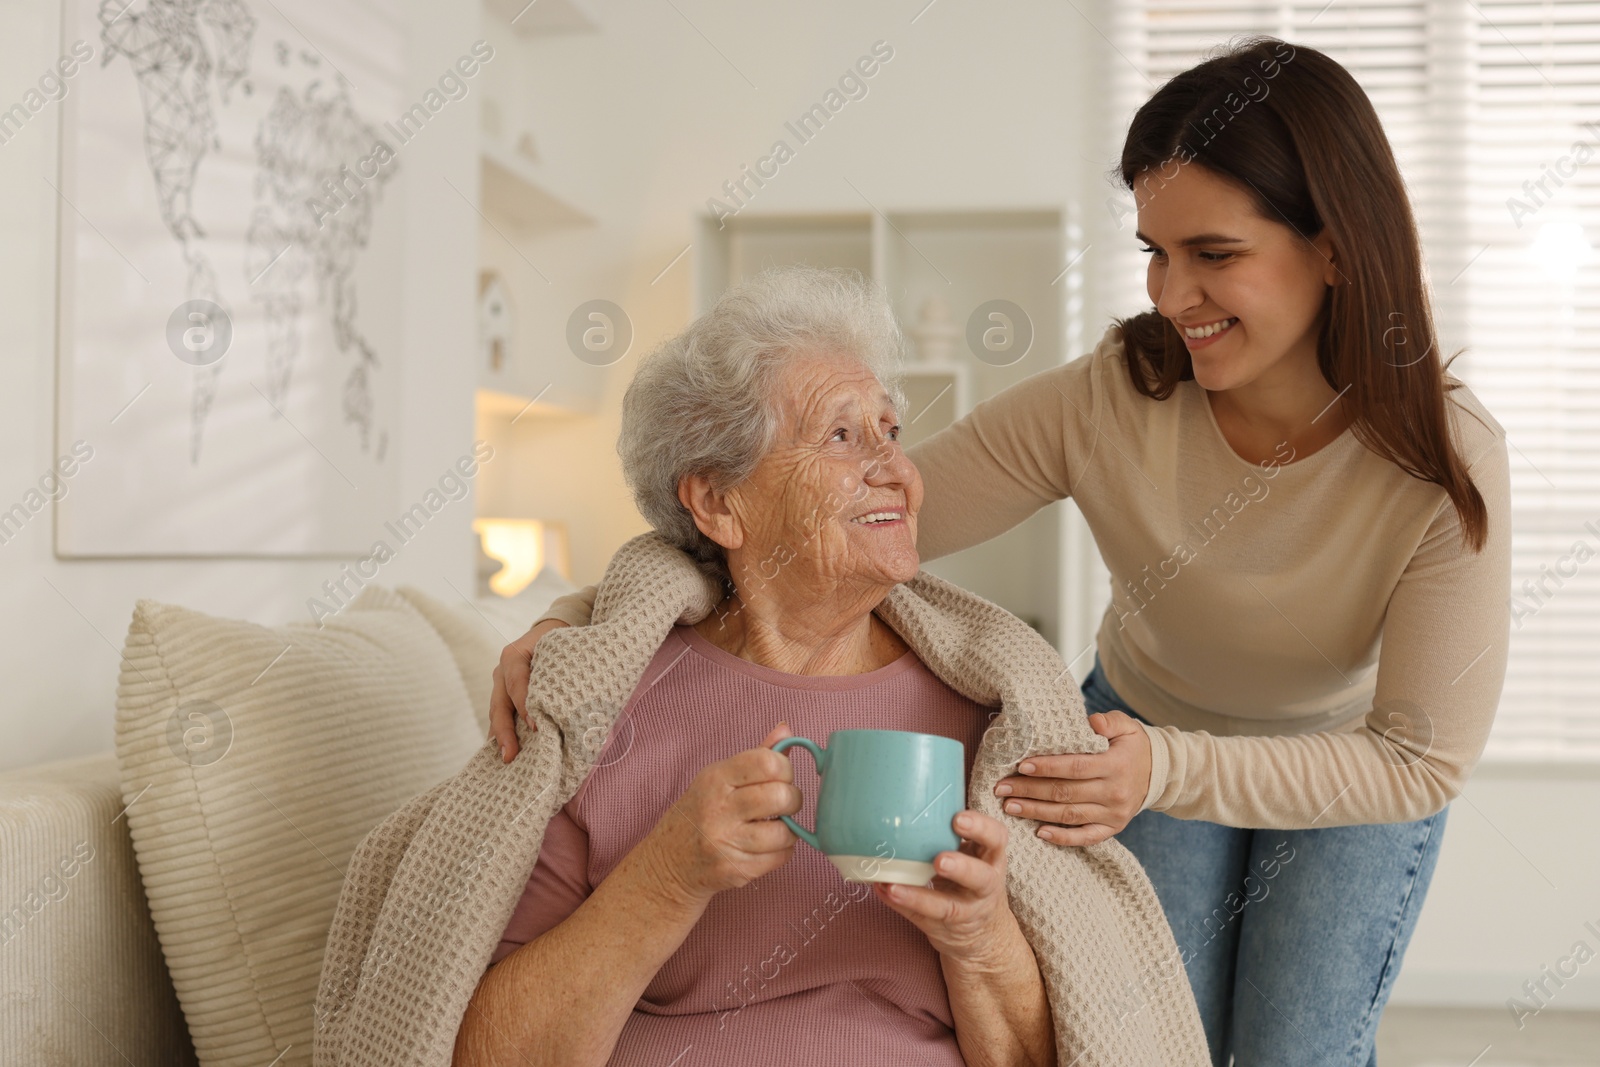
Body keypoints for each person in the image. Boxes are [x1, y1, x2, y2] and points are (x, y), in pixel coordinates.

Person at [489, 37, 1511, 1066]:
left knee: (1299, 1051)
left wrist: (1171, 766)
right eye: (1155, 252)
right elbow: (847, 516)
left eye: (1214, 254)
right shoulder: (1118, 394)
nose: (1169, 293)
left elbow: (1417, 756)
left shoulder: (1441, 460)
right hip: (1136, 722)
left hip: (1338, 758)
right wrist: (579, 619)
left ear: (1333, 246)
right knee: (1150, 1037)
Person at [454, 266, 1055, 1067]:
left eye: (891, 431)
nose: (897, 470)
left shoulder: (989, 709)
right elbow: (484, 1054)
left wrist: (983, 940)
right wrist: (665, 878)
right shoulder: (602, 701)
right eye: (842, 436)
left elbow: (1058, 1053)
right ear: (718, 504)